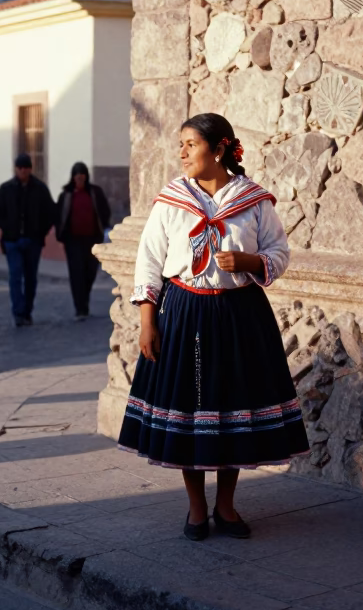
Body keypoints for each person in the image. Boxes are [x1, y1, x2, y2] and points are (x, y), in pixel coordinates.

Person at [118, 113, 307, 542]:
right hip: (183, 312)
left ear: (218, 149)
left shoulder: (254, 201)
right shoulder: (170, 202)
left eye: (190, 144)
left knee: (232, 406)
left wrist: (248, 262)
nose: (181, 152)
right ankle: (196, 506)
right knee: (189, 408)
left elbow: (279, 251)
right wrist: (148, 321)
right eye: (180, 144)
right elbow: (149, 260)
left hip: (240, 313)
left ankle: (226, 504)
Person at [0, 153, 56, 327]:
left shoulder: (40, 189)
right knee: (15, 276)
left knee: (31, 278)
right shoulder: (6, 189)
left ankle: (27, 310)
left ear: (30, 169)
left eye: (26, 168)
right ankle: (18, 312)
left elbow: (50, 213)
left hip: (33, 241)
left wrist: (41, 231)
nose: (23, 171)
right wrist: (8, 227)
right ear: (16, 169)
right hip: (12, 240)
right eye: (20, 168)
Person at [55, 162, 112, 321]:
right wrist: (61, 235)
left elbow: (105, 211)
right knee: (76, 274)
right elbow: (59, 215)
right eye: (77, 177)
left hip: (92, 240)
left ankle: (84, 300)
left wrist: (103, 229)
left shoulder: (95, 192)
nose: (79, 180)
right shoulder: (66, 195)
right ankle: (80, 308)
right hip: (72, 241)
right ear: (73, 178)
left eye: (82, 176)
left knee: (90, 272)